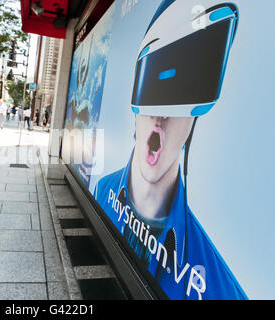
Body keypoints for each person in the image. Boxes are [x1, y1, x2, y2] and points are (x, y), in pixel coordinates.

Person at [93, 1, 245, 300]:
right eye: (156, 80)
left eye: (183, 87)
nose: (160, 115)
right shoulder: (102, 190)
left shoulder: (220, 289)